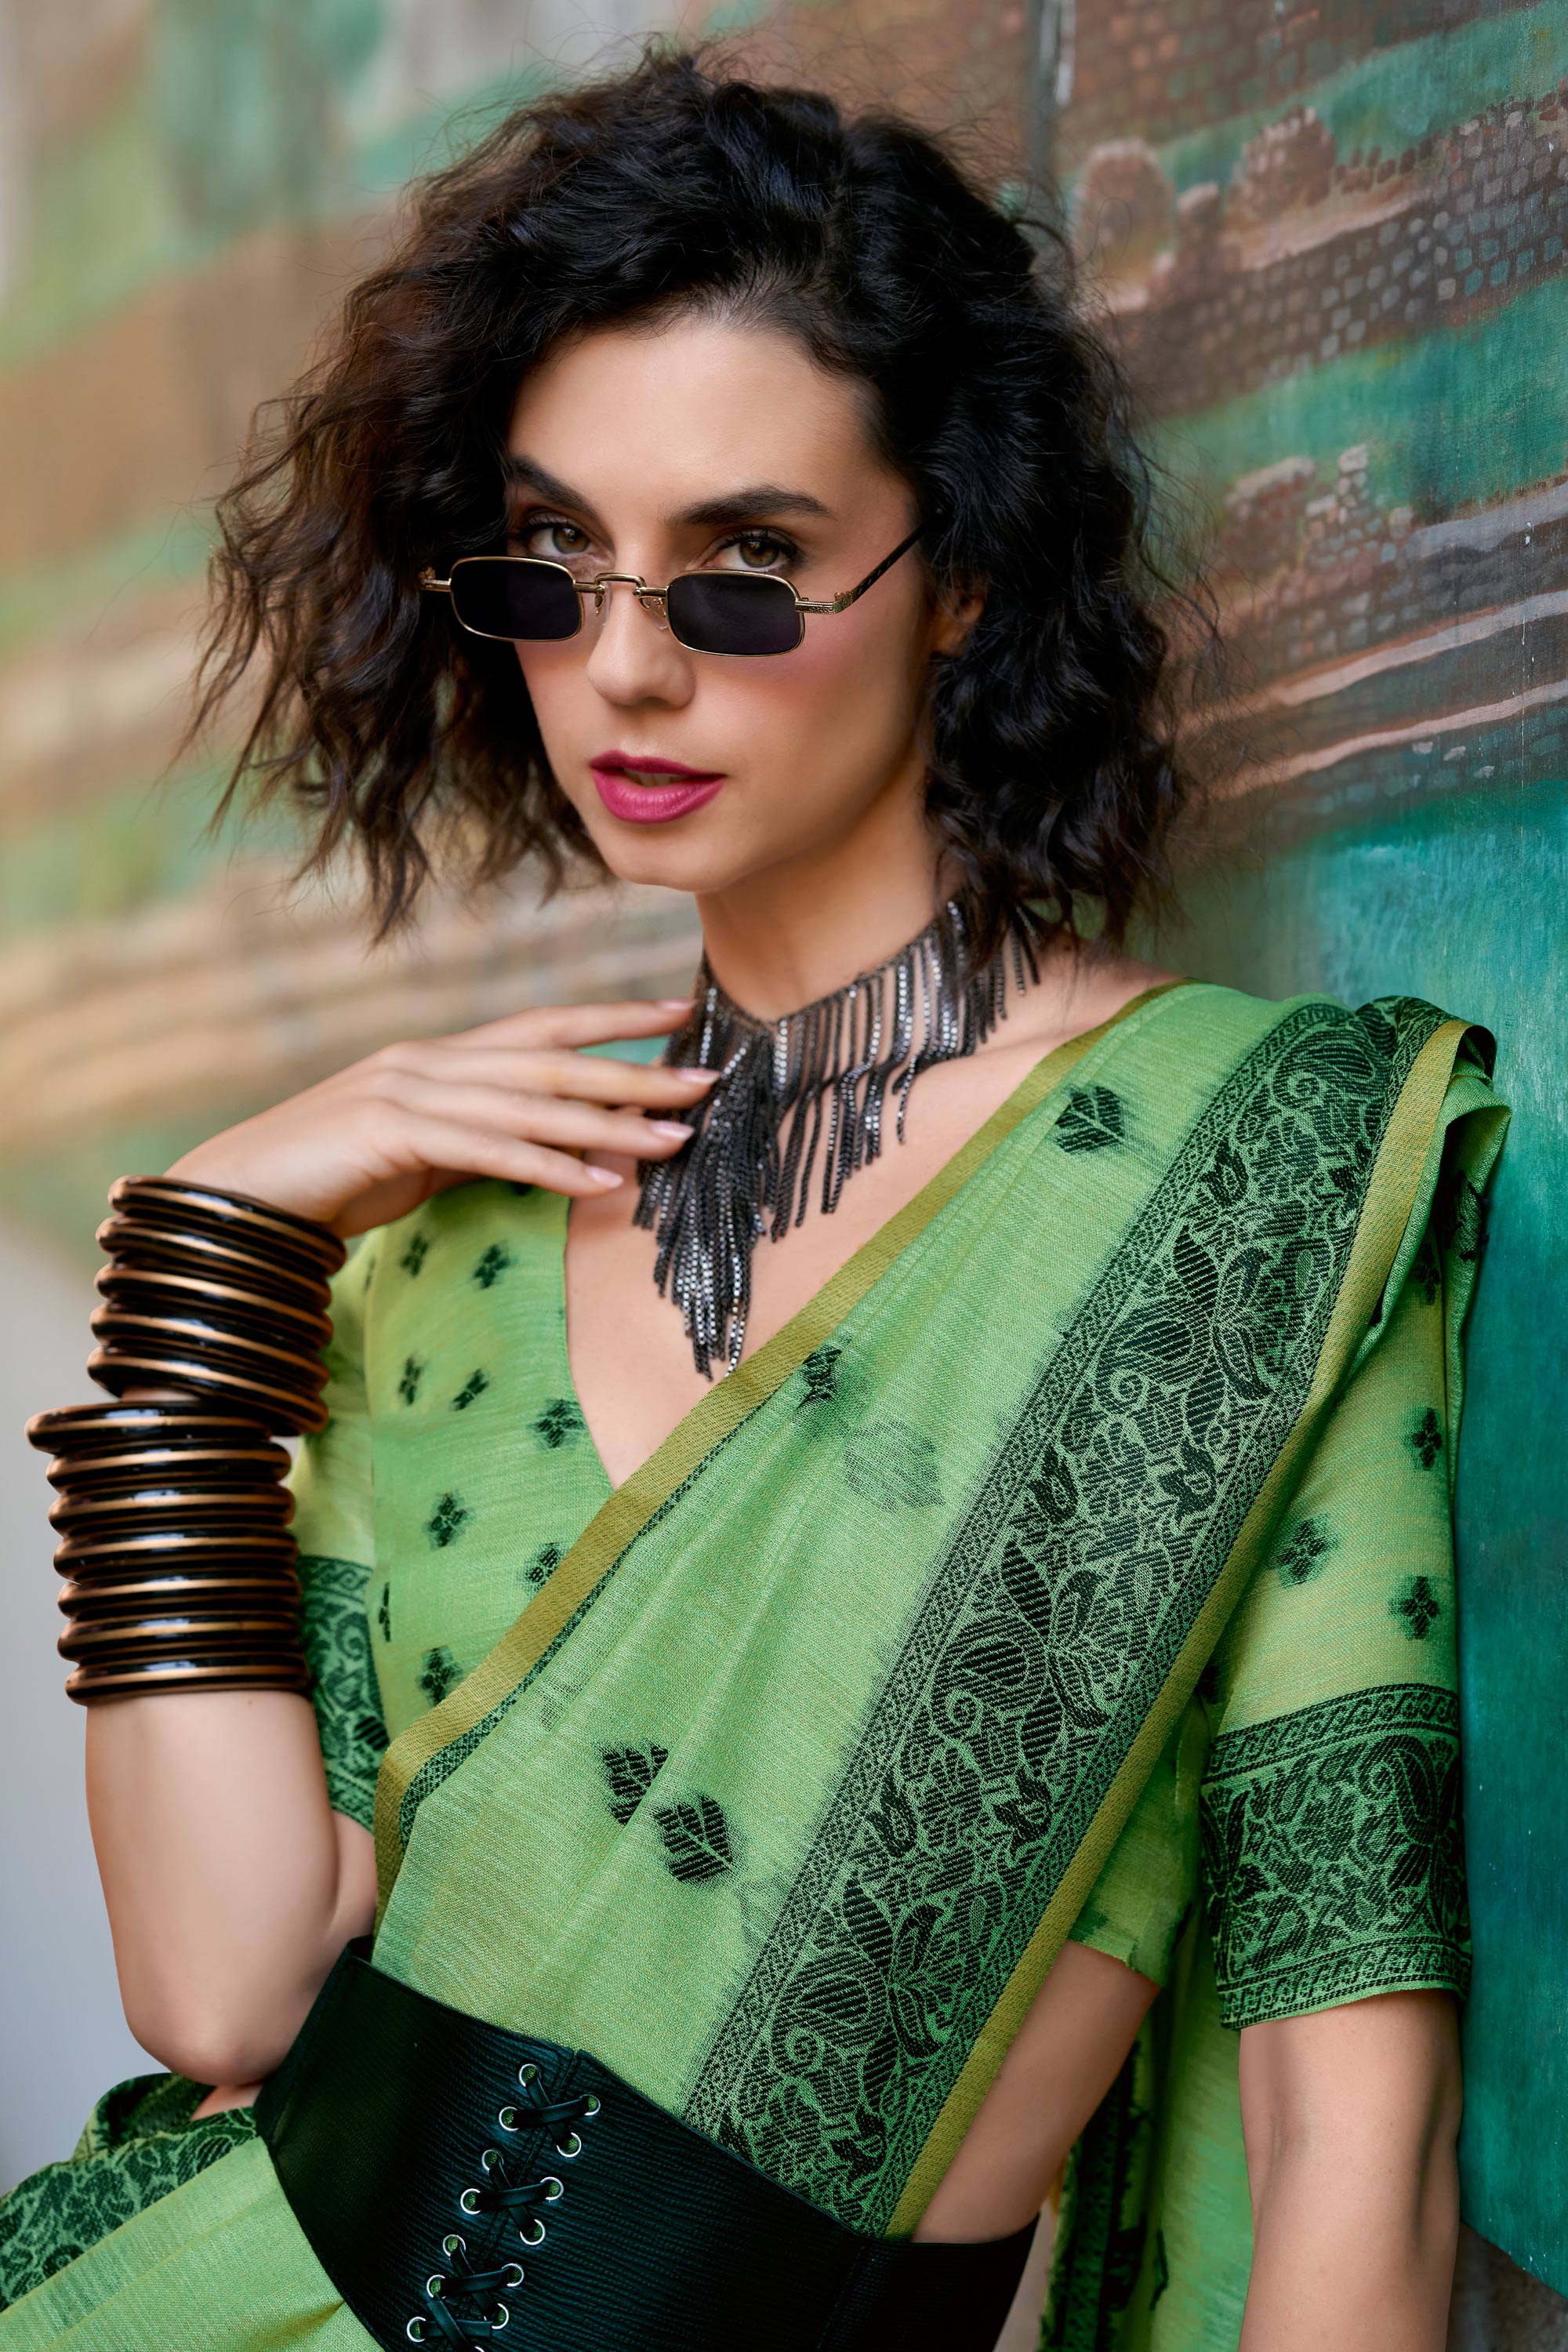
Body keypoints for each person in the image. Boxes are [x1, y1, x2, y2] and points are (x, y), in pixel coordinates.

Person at [0, 48, 1508, 2352]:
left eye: (746, 569)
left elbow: (1349, 2139)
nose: (620, 667)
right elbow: (225, 1994)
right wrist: (213, 1250)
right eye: (554, 560)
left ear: (963, 578)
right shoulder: (443, 1250)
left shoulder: (1257, 1189)